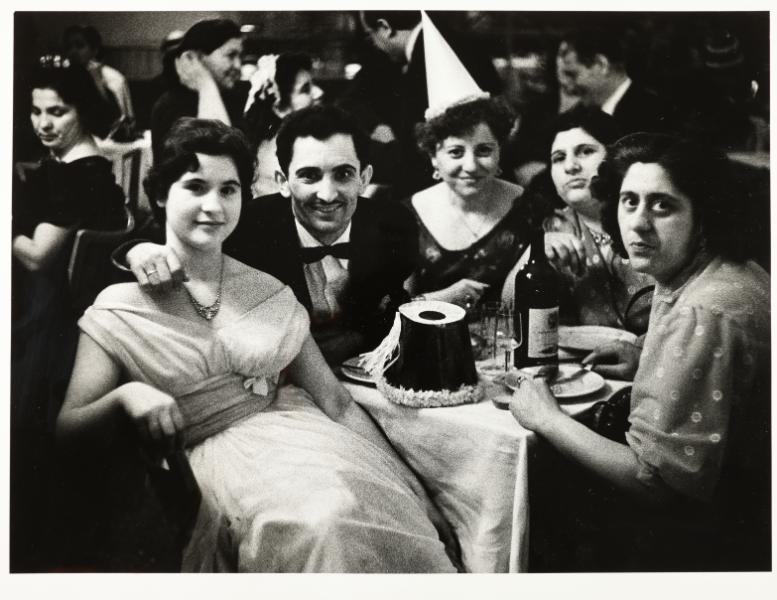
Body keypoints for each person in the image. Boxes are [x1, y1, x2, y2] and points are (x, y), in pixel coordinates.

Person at [55, 117, 455, 573]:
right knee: (319, 523)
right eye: (195, 187)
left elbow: (337, 403)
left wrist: (416, 493)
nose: (214, 206)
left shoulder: (268, 289)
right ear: (162, 194)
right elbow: (68, 431)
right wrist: (126, 396)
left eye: (229, 190)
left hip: (303, 441)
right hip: (201, 471)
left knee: (349, 510)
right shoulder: (121, 304)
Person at [510, 133, 770, 571]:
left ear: (705, 215)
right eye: (629, 202)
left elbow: (656, 484)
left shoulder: (703, 311)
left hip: (710, 541)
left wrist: (546, 418)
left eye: (663, 206)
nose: (639, 223)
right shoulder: (728, 272)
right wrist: (647, 357)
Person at [121, 105, 417, 366]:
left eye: (343, 174)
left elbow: (391, 310)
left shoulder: (393, 224)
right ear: (283, 181)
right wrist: (137, 250)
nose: (327, 194)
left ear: (364, 178)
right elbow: (177, 241)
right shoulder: (249, 224)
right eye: (309, 176)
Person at [11, 56, 127, 571]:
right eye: (36, 111)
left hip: (49, 321)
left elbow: (38, 256)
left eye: (57, 111)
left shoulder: (76, 175)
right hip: (65, 313)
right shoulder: (82, 165)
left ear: (82, 111)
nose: (43, 123)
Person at [405, 98, 537, 309]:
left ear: (499, 151)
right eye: (456, 152)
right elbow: (392, 310)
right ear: (433, 157)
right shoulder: (405, 217)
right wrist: (443, 299)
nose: (471, 166)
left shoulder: (532, 208)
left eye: (484, 150)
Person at [541, 105, 654, 334]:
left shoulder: (650, 215)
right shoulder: (554, 227)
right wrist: (535, 254)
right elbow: (511, 310)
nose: (571, 166)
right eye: (559, 158)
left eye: (585, 151)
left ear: (615, 157)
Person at [150, 19, 248, 160]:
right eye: (231, 55)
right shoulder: (171, 106)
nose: (238, 65)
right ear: (198, 58)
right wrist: (205, 83)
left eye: (240, 56)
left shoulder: (233, 97)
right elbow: (216, 160)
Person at [557, 27, 676, 135]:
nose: (566, 85)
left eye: (571, 74)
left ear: (601, 64)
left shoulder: (659, 115)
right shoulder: (570, 120)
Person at [243, 52, 323, 196]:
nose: (318, 93)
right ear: (279, 108)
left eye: (313, 85)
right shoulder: (279, 154)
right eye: (305, 89)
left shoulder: (284, 142)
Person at [63, 25, 134, 124]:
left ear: (94, 50)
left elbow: (122, 119)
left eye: (80, 46)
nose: (73, 52)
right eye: (68, 47)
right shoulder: (64, 77)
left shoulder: (113, 78)